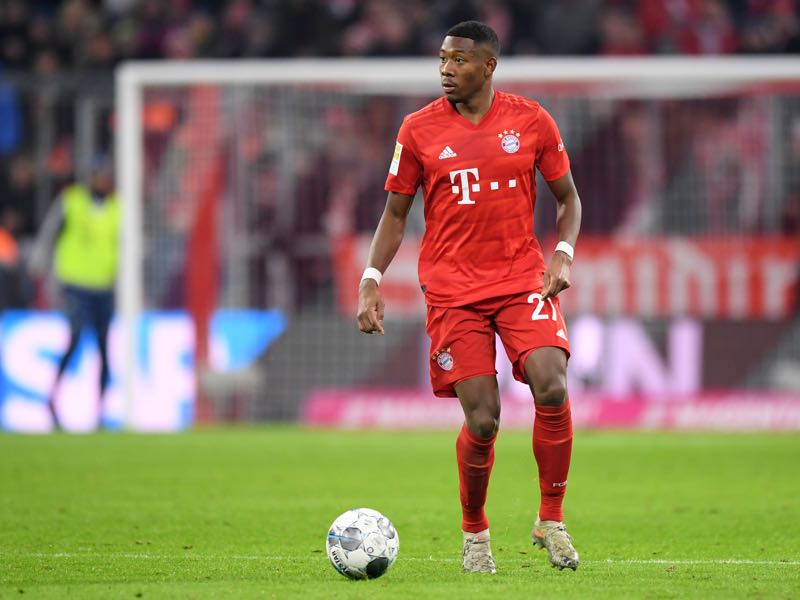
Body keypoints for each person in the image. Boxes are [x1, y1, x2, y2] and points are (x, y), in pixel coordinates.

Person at [356, 21, 582, 573]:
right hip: (454, 293)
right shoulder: (417, 130)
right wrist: (371, 279)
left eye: (458, 60)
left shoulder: (531, 120)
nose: (446, 70)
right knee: (484, 420)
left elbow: (568, 199)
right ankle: (475, 532)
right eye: (441, 60)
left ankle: (550, 519)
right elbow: (395, 214)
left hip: (521, 280)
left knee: (551, 381)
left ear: (488, 66)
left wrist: (564, 253)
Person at [31, 158, 120, 430]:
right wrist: (40, 270)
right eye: (100, 175)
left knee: (105, 348)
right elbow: (49, 235)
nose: (104, 180)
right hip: (74, 285)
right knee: (77, 335)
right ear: (91, 176)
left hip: (104, 287)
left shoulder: (118, 208)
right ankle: (53, 398)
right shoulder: (71, 201)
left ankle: (101, 412)